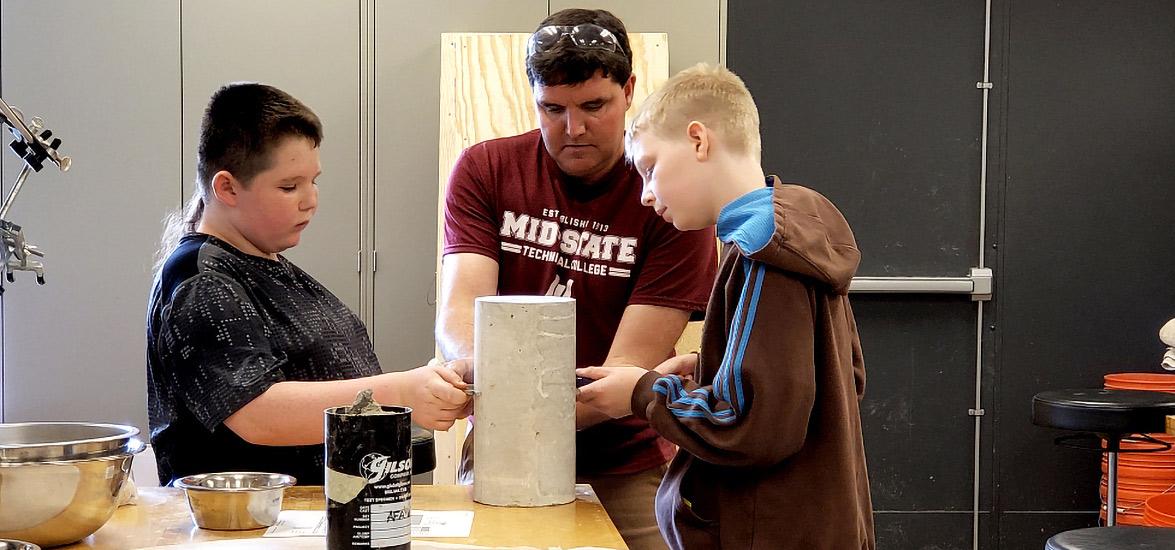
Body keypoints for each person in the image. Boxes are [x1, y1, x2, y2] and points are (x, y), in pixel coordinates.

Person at [437, 8, 717, 549]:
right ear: (533, 96)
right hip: (503, 448)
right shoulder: (485, 169)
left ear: (629, 90)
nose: (575, 128)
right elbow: (460, 316)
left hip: (623, 457)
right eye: (552, 108)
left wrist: (508, 407)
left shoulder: (668, 196)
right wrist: (476, 378)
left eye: (594, 106)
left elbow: (623, 371)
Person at [576, 64, 876, 549]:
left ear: (698, 140)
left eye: (650, 168)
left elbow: (750, 427)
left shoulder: (762, 252)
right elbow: (840, 376)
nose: (646, 194)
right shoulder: (797, 235)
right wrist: (711, 365)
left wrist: (643, 392)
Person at [147, 83, 470, 486]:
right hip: (248, 527)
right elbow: (256, 413)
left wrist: (442, 381)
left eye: (313, 181)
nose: (310, 199)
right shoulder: (203, 282)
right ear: (227, 187)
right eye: (289, 186)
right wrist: (402, 393)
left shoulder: (263, 263)